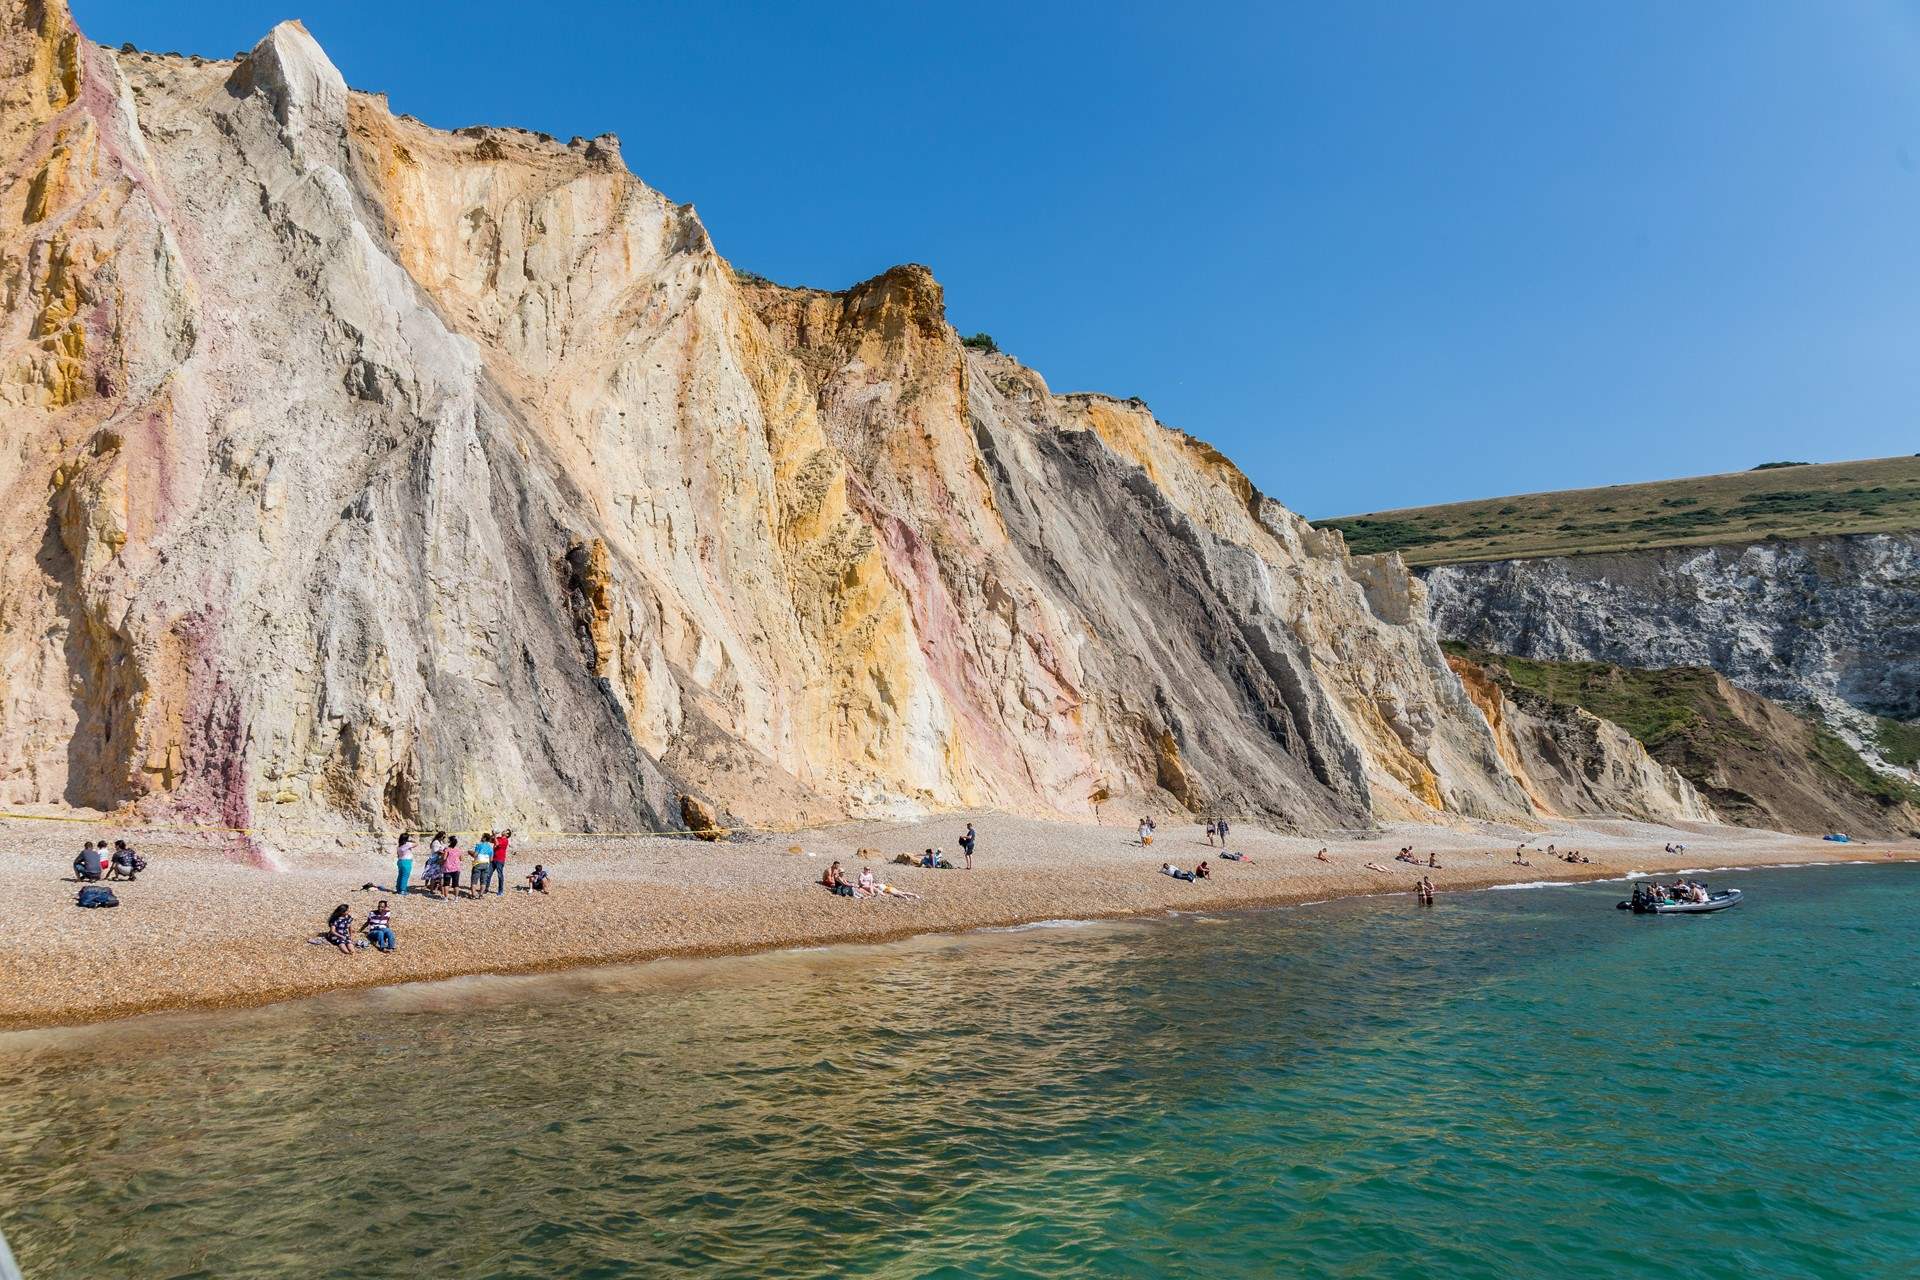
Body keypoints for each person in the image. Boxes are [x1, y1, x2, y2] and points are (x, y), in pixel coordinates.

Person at [394, 832, 415, 897]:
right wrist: (411, 840)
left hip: (400, 861)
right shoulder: (408, 844)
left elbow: (398, 855)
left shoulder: (399, 846)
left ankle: (398, 889)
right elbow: (416, 844)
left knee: (400, 876)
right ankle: (403, 890)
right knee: (405, 876)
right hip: (406, 862)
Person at [490, 829, 510, 895]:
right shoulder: (498, 838)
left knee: (500, 875)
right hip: (493, 858)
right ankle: (485, 888)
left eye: (505, 831)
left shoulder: (505, 840)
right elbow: (490, 840)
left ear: (507, 835)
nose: (503, 831)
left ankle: (500, 891)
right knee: (488, 874)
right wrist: (493, 835)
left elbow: (497, 844)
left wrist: (495, 835)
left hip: (500, 860)